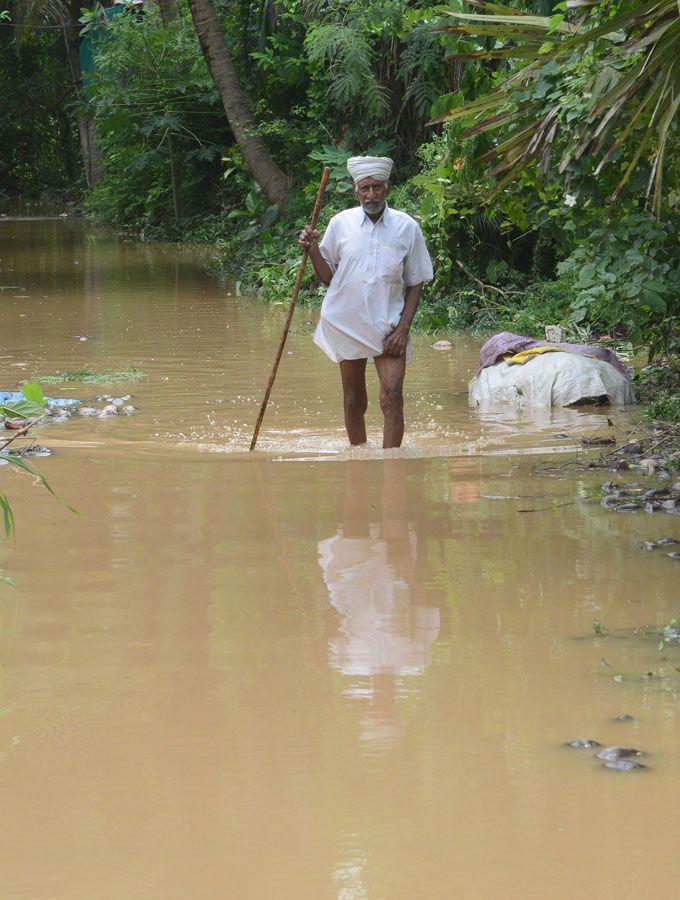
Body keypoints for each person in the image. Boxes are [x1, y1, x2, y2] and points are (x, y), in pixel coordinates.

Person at [299, 155, 433, 448]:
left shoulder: (407, 227)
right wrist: (312, 251)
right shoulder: (340, 224)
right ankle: (358, 461)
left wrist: (403, 329)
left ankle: (391, 466)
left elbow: (416, 281)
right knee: (353, 401)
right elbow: (327, 278)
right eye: (364, 188)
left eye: (376, 187)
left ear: (387, 188)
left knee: (393, 398)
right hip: (347, 322)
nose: (370, 194)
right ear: (355, 191)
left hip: (389, 326)